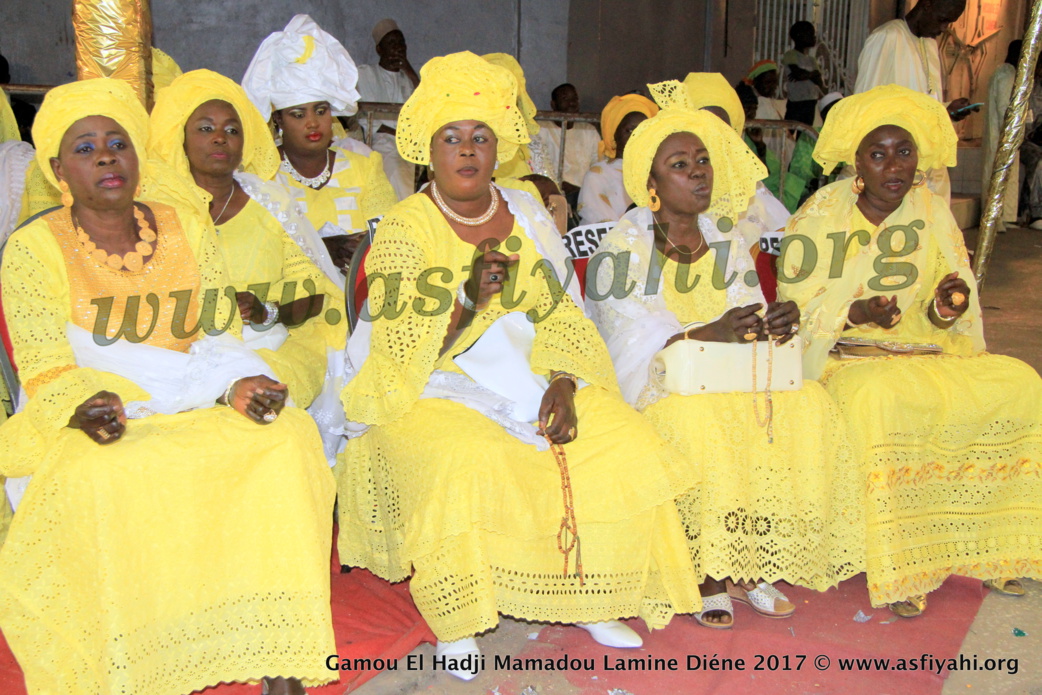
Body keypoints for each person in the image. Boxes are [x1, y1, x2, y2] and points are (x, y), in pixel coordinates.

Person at [336, 51, 702, 680]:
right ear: (428, 149)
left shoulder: (519, 221)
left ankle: (587, 592)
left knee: (622, 439)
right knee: (468, 460)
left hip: (531, 377)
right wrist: (465, 300)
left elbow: (560, 316)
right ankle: (457, 619)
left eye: (480, 136)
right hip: (431, 386)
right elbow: (398, 350)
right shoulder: (407, 227)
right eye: (452, 137)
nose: (468, 150)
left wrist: (563, 381)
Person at [0, 77, 335, 695]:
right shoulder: (30, 249)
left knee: (286, 439)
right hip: (96, 407)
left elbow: (218, 333)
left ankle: (280, 652)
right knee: (99, 472)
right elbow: (44, 365)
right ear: (56, 170)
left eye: (117, 143)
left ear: (138, 157)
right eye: (85, 148)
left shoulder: (185, 226)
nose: (105, 157)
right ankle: (137, 665)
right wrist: (83, 404)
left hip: (193, 388)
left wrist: (236, 382)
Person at [586, 81, 863, 630]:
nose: (699, 172)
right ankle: (708, 572)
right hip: (662, 383)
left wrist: (777, 323)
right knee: (698, 421)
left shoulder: (725, 239)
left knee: (807, 406)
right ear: (652, 185)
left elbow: (747, 311)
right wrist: (706, 331)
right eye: (680, 164)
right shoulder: (625, 245)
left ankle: (753, 559)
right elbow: (628, 335)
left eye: (703, 161)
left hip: (728, 374)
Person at [778, 84, 1042, 617]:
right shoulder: (819, 215)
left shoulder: (932, 210)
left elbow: (951, 296)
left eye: (905, 152)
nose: (893, 166)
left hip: (925, 349)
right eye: (878, 154)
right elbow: (794, 309)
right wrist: (858, 312)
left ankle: (994, 548)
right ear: (856, 160)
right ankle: (901, 563)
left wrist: (949, 302)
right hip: (843, 356)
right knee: (878, 399)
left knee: (1020, 384)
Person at [148, 69, 348, 463]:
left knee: (264, 418)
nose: (220, 138)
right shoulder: (155, 207)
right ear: (181, 137)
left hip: (275, 345)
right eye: (205, 128)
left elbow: (315, 296)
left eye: (232, 129)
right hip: (180, 350)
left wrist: (265, 311)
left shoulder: (270, 205)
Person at [243, 14, 397, 272]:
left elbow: (390, 238)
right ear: (278, 118)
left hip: (358, 300)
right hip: (292, 305)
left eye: (321, 110)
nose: (313, 123)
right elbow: (255, 252)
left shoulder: (364, 167)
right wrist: (322, 250)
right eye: (298, 114)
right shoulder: (261, 176)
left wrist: (364, 249)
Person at [853, 0, 975, 203]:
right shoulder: (887, 37)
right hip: (896, 162)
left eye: (949, 23)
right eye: (942, 20)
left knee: (934, 224)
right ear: (927, 5)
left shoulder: (930, 43)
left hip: (931, 158)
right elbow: (864, 103)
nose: (943, 29)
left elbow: (924, 99)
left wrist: (947, 110)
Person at [683, 73, 791, 239]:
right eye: (701, 127)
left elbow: (783, 239)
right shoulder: (665, 186)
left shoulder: (750, 191)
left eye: (720, 128)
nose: (711, 137)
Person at [356, 18, 420, 200]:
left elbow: (424, 105)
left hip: (407, 144)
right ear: (379, 49)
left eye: (401, 43)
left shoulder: (408, 79)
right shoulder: (365, 73)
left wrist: (408, 69)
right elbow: (367, 118)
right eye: (392, 43)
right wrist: (399, 133)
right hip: (381, 141)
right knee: (397, 173)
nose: (398, 48)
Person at [577, 93, 658, 224]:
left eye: (643, 131)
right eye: (630, 131)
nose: (637, 137)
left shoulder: (657, 174)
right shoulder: (598, 174)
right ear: (614, 135)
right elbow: (602, 223)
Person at [533, 83, 601, 201]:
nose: (572, 103)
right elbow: (537, 165)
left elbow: (598, 166)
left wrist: (585, 189)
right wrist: (558, 185)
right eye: (565, 99)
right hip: (550, 193)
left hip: (584, 193)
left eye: (575, 98)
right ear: (553, 104)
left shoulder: (589, 130)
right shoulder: (541, 129)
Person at [981, 40, 1020, 232]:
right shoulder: (1006, 74)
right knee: (999, 173)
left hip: (1005, 133)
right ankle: (994, 218)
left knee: (1005, 174)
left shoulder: (1007, 72)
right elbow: (1005, 108)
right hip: (1002, 133)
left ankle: (1003, 216)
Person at [784, 91, 844, 211]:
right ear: (824, 116)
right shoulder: (811, 135)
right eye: (834, 111)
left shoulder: (854, 135)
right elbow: (800, 169)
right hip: (817, 191)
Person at [782, 21, 826, 126]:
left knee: (804, 135)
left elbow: (819, 81)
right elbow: (798, 74)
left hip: (810, 101)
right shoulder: (791, 55)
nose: (814, 37)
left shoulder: (812, 60)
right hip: (796, 102)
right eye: (810, 34)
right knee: (789, 131)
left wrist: (806, 75)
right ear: (799, 36)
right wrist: (812, 74)